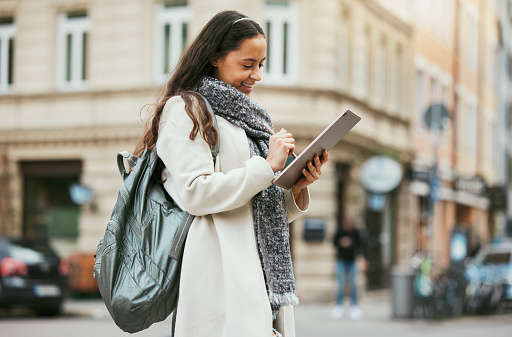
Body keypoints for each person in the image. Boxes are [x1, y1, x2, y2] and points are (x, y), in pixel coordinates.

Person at [134, 10, 329, 337]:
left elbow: (256, 210)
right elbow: (195, 193)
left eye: (261, 64)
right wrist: (266, 166)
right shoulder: (186, 109)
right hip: (219, 277)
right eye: (246, 64)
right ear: (214, 58)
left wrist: (296, 188)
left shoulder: (251, 119)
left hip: (260, 278)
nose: (257, 75)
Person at [331, 218, 368, 320]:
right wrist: (341, 242)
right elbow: (333, 242)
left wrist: (364, 259)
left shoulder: (356, 232)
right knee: (340, 283)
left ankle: (354, 306)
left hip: (352, 261)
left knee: (353, 283)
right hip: (341, 260)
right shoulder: (340, 231)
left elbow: (362, 246)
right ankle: (339, 306)